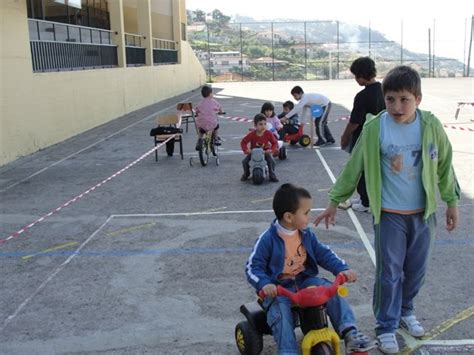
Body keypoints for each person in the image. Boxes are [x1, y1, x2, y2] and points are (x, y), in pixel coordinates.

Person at [314, 66, 460, 354]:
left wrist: (451, 202)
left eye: (404, 99)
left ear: (418, 98)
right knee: (389, 274)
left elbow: (444, 165)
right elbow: (354, 166)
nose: (396, 106)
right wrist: (334, 201)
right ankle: (386, 326)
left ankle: (405, 311)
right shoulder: (375, 128)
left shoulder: (430, 126)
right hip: (390, 215)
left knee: (415, 272)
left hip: (423, 214)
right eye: (390, 99)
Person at [245, 183, 376, 354]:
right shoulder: (267, 239)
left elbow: (323, 253)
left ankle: (350, 333)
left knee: (332, 290)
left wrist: (342, 269)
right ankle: (288, 350)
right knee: (281, 313)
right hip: (279, 288)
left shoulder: (305, 234)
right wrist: (264, 284)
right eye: (306, 213)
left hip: (304, 280)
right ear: (289, 217)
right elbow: (252, 267)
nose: (309, 216)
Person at [340, 57, 386, 212]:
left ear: (361, 75)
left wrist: (344, 137)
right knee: (377, 169)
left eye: (355, 76)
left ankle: (366, 203)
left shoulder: (362, 96)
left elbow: (354, 122)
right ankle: (369, 198)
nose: (355, 79)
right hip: (383, 136)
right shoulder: (384, 90)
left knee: (359, 169)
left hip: (364, 139)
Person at [240, 113, 279, 182]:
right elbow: (243, 142)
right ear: (255, 125)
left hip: (265, 152)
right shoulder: (252, 134)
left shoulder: (268, 133)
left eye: (265, 124)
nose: (263, 126)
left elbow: (274, 142)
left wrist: (271, 150)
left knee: (271, 161)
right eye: (260, 124)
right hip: (253, 152)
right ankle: (246, 174)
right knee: (245, 162)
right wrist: (246, 150)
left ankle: (272, 174)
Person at [194, 85, 223, 151]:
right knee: (216, 127)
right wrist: (221, 112)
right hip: (211, 123)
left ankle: (199, 142)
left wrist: (197, 114)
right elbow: (220, 109)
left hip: (201, 123)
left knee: (201, 131)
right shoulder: (214, 102)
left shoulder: (200, 103)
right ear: (210, 94)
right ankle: (215, 139)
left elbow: (196, 111)